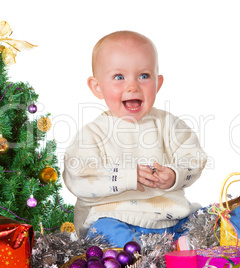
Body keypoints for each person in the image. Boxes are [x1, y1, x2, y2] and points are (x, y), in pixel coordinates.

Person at [63, 30, 207, 247]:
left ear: (157, 83)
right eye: (119, 77)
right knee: (102, 231)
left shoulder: (169, 125)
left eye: (144, 76)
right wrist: (126, 177)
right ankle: (141, 251)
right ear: (97, 87)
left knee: (210, 218)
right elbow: (78, 178)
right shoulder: (93, 134)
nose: (133, 86)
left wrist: (175, 175)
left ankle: (177, 245)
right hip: (116, 217)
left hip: (171, 218)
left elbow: (194, 157)